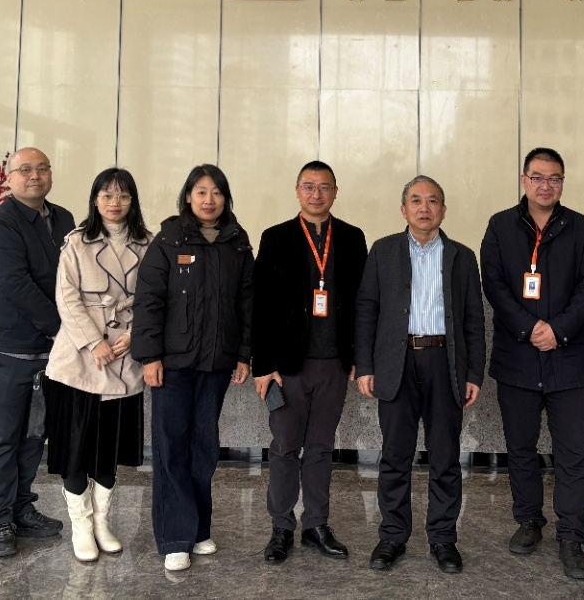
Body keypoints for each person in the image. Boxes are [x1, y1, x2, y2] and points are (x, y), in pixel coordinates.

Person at [479, 147, 584, 581]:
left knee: (572, 454)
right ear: (523, 180)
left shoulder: (583, 228)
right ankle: (529, 520)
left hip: (569, 358)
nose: (545, 185)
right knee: (521, 449)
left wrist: (558, 330)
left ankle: (571, 535)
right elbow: (494, 284)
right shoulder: (499, 226)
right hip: (517, 357)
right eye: (538, 177)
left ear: (562, 183)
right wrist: (530, 327)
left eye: (554, 178)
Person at [356, 175, 486, 575]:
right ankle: (392, 536)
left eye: (432, 201)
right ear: (404, 209)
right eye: (416, 200)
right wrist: (366, 365)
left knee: (445, 457)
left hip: (445, 363)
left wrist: (474, 373)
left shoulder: (462, 256)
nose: (424, 207)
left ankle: (443, 538)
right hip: (397, 362)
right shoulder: (383, 251)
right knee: (395, 455)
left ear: (443, 210)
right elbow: (367, 310)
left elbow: (474, 321)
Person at [132, 165, 254, 573]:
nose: (209, 199)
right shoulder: (169, 239)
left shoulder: (237, 243)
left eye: (216, 192)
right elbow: (148, 300)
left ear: (225, 198)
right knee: (171, 448)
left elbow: (247, 305)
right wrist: (149, 356)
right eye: (201, 191)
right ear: (188, 196)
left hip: (216, 364)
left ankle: (199, 528)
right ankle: (175, 537)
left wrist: (244, 354)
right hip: (172, 364)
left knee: (203, 448)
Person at [251, 161, 368, 564]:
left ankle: (317, 524)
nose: (316, 194)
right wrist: (263, 365)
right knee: (285, 447)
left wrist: (360, 357)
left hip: (334, 363)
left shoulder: (352, 238)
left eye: (324, 187)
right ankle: (281, 527)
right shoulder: (276, 237)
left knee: (320, 448)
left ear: (335, 191)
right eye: (309, 186)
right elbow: (260, 305)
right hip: (287, 366)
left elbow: (362, 304)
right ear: (297, 190)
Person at [44, 167, 152, 561]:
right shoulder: (77, 242)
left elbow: (158, 297)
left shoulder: (149, 244)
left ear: (132, 200)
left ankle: (103, 522)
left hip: (125, 355)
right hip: (79, 358)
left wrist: (136, 333)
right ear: (95, 199)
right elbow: (66, 297)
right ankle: (81, 526)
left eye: (122, 195)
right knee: (75, 447)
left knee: (109, 448)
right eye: (107, 195)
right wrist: (94, 342)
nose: (114, 202)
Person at [0, 147, 75, 558]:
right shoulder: (0, 225)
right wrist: (62, 329)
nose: (35, 176)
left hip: (50, 353)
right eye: (25, 170)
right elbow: (15, 284)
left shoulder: (64, 219)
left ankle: (21, 507)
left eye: (42, 169)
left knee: (35, 434)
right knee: (4, 437)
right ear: (9, 178)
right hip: (10, 348)